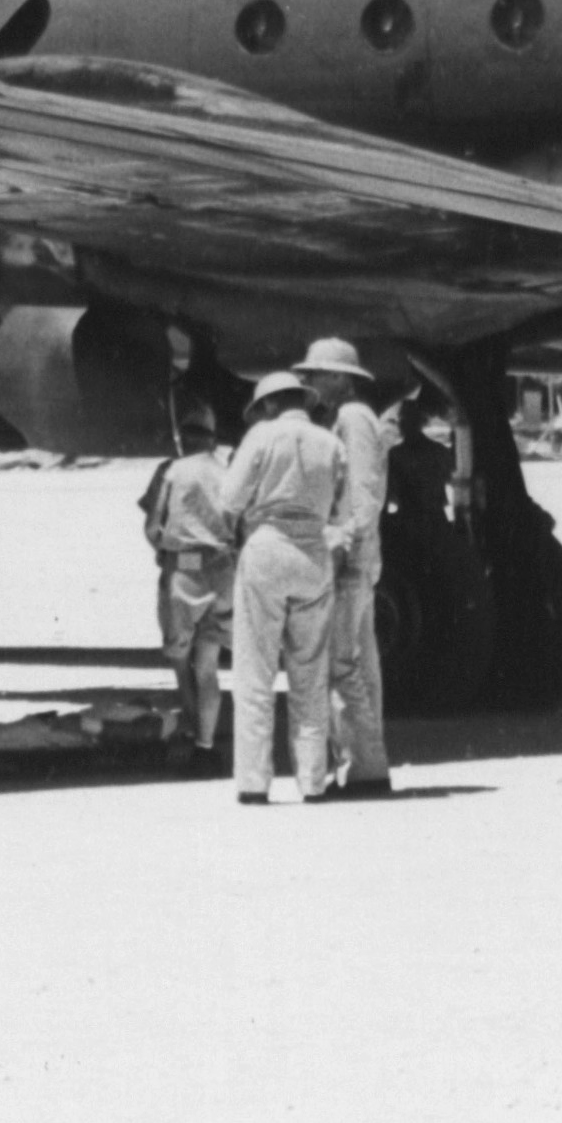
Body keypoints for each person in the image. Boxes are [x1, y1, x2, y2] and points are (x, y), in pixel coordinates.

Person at [220, 370, 346, 805]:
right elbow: (342, 508)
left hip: (267, 548)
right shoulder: (331, 443)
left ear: (270, 404)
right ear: (303, 401)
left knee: (254, 672)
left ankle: (254, 783)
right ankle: (313, 781)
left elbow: (230, 499)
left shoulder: (261, 435)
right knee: (310, 673)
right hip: (314, 553)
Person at [296, 338, 394, 798]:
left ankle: (366, 769)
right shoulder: (351, 418)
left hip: (350, 558)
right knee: (358, 665)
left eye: (316, 374)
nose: (309, 382)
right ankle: (364, 765)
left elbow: (363, 491)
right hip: (358, 556)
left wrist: (346, 547)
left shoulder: (352, 420)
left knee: (342, 665)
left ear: (339, 377)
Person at [137, 392, 235, 763]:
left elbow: (152, 527)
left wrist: (165, 553)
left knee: (181, 660)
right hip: (224, 571)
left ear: (182, 435)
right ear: (212, 436)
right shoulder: (227, 471)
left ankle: (195, 728)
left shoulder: (172, 470)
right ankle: (205, 744)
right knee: (207, 665)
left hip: (186, 569)